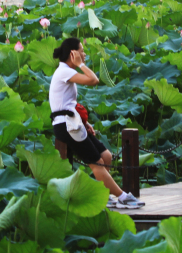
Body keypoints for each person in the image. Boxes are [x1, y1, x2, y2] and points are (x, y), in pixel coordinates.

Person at [49, 38, 143, 209]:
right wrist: (80, 64)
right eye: (81, 51)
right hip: (65, 126)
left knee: (106, 156)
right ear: (73, 53)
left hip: (73, 124)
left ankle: (101, 195)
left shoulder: (66, 71)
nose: (84, 54)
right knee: (97, 163)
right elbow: (94, 80)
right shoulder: (64, 71)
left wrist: (84, 123)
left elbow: (66, 103)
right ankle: (123, 197)